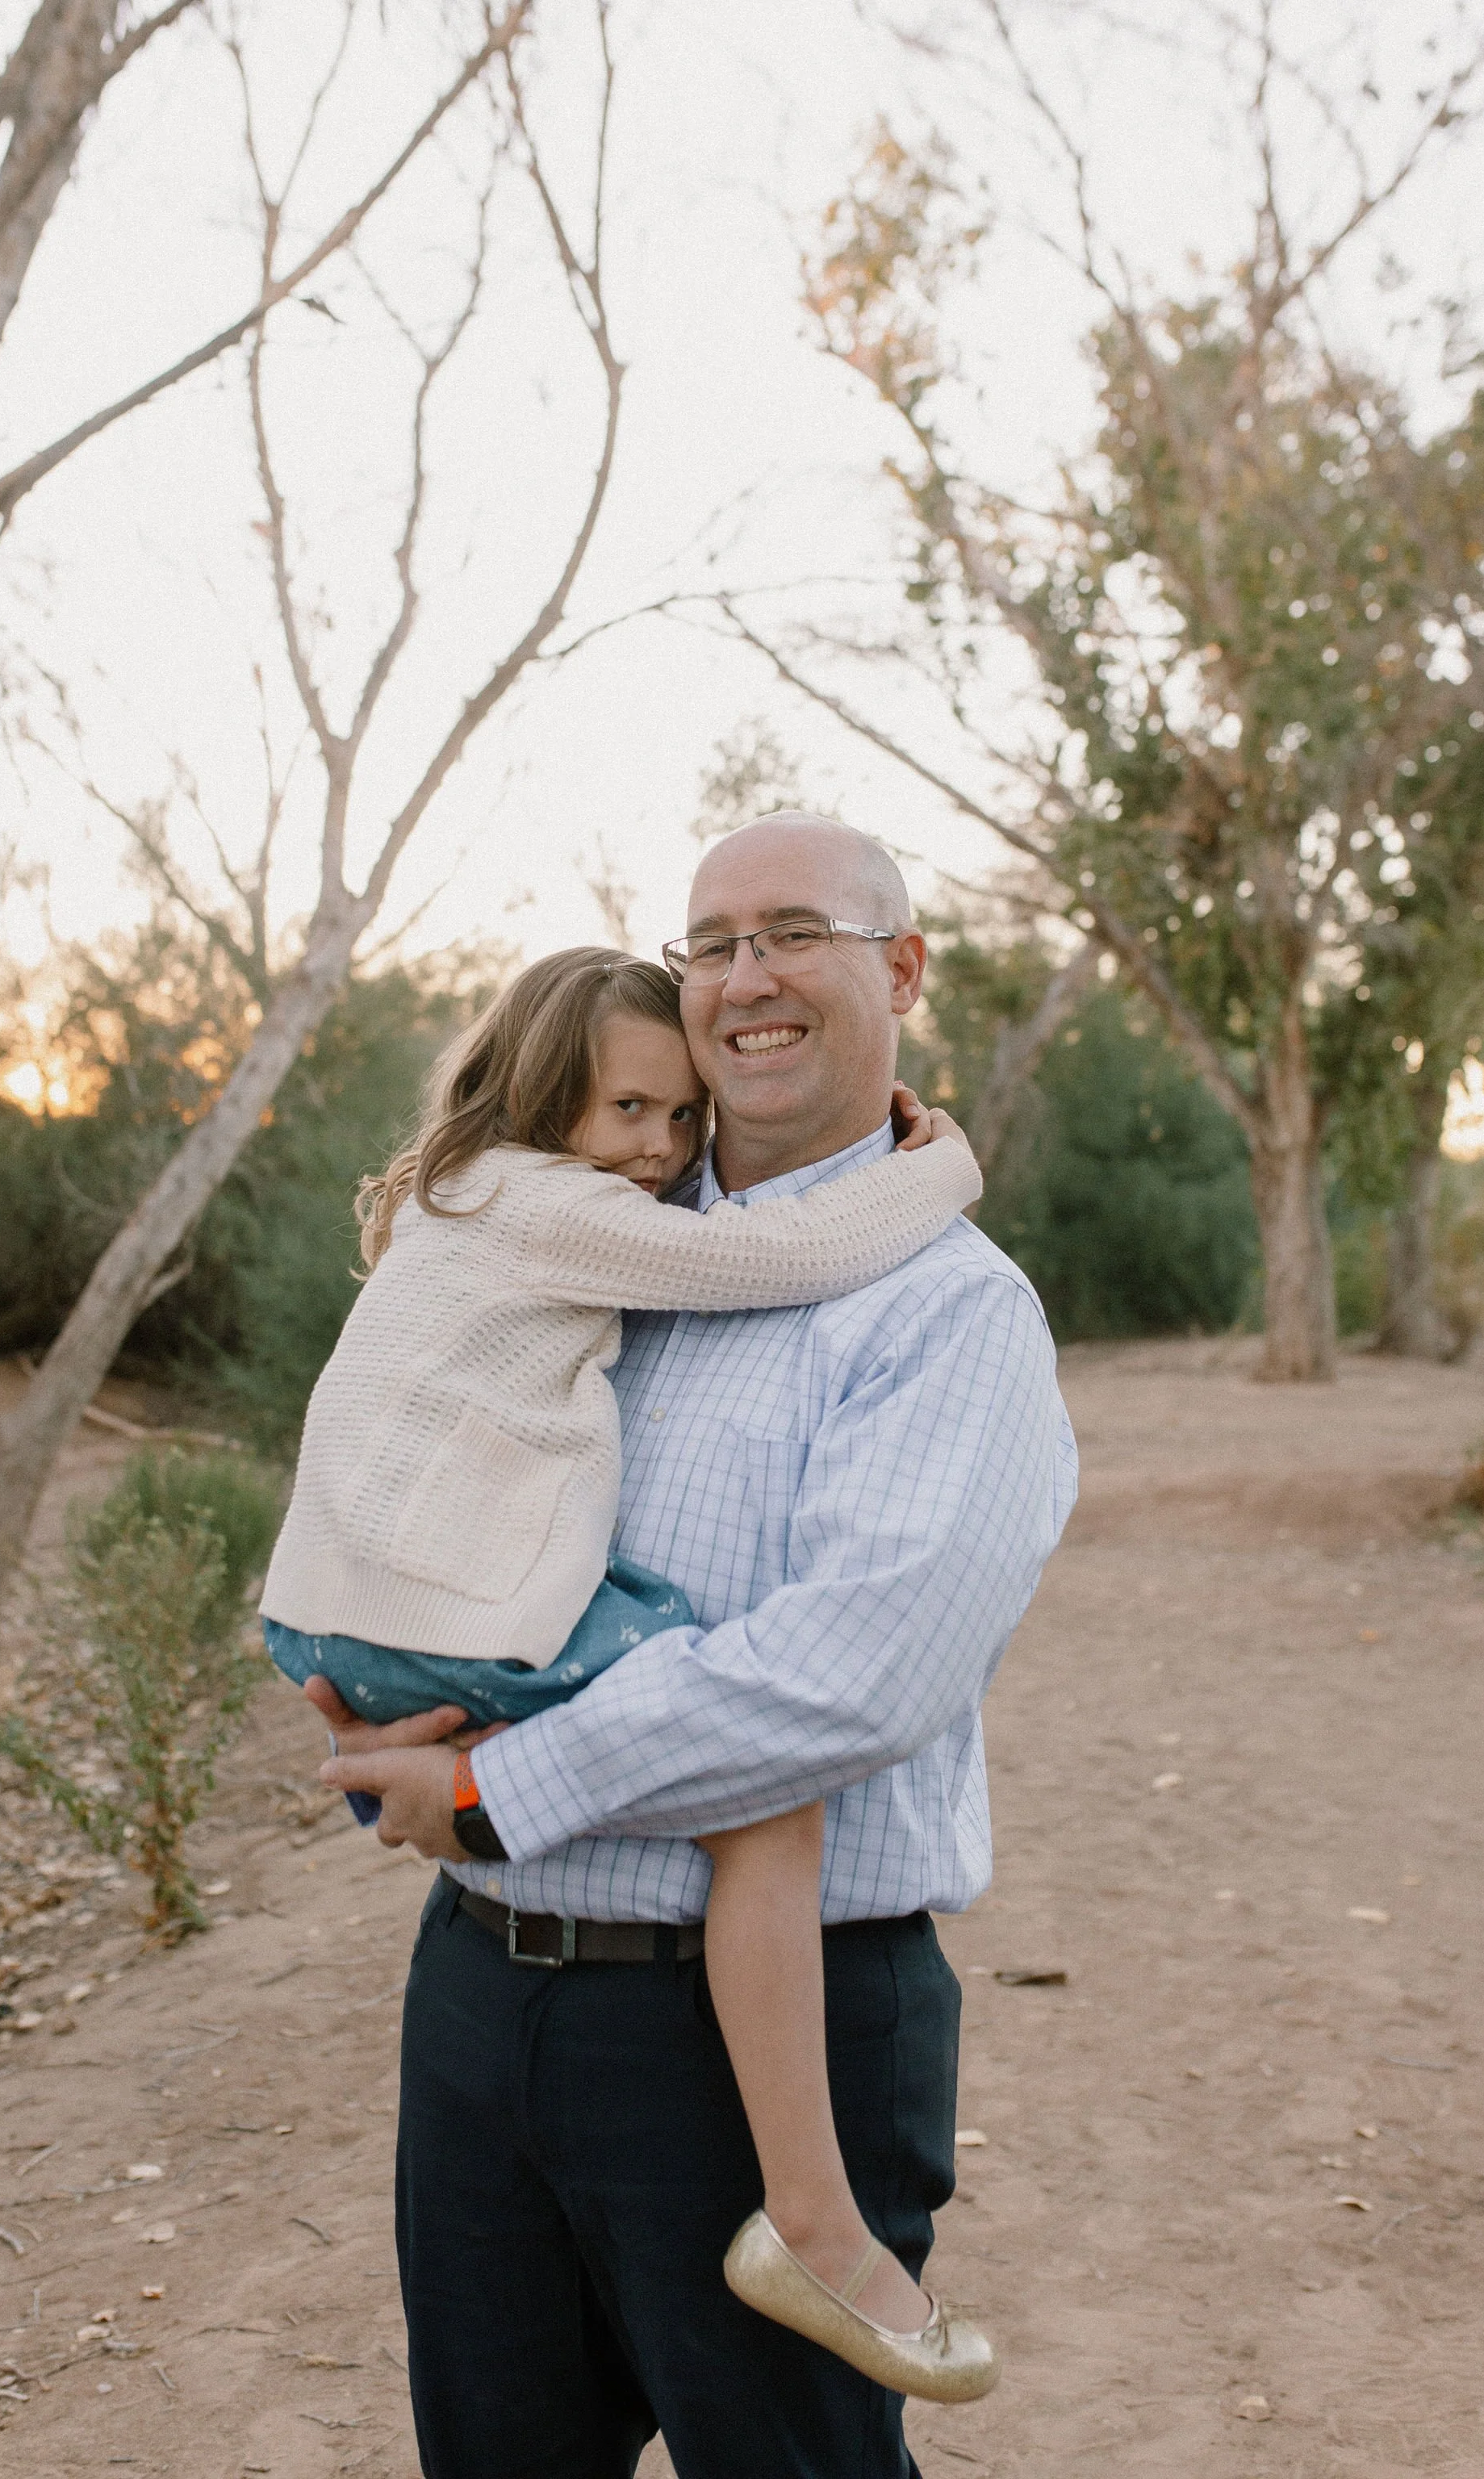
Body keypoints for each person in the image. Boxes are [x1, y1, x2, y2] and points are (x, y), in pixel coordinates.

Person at [316, 813, 1078, 2479]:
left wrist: (505, 1782)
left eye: (792, 930)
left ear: (900, 967)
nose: (745, 978)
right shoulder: (594, 1240)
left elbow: (857, 1674)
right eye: (711, 941)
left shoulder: (949, 1312)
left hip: (753, 2044)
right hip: (479, 1999)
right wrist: (383, 1681)